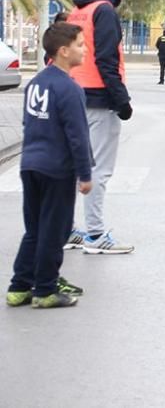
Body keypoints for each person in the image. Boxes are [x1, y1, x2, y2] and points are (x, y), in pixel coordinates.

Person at [7, 23, 93, 309]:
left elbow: (27, 124)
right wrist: (84, 173)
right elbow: (78, 136)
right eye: (80, 44)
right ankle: (45, 289)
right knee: (55, 229)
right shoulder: (69, 89)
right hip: (57, 169)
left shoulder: (35, 84)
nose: (85, 49)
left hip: (30, 164)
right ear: (63, 51)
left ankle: (19, 286)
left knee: (34, 229)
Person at [64, 0, 134, 255]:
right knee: (98, 169)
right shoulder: (104, 11)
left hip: (71, 95)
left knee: (70, 167)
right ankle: (95, 234)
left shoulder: (78, 10)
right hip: (97, 98)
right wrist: (121, 101)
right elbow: (106, 60)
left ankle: (64, 229)